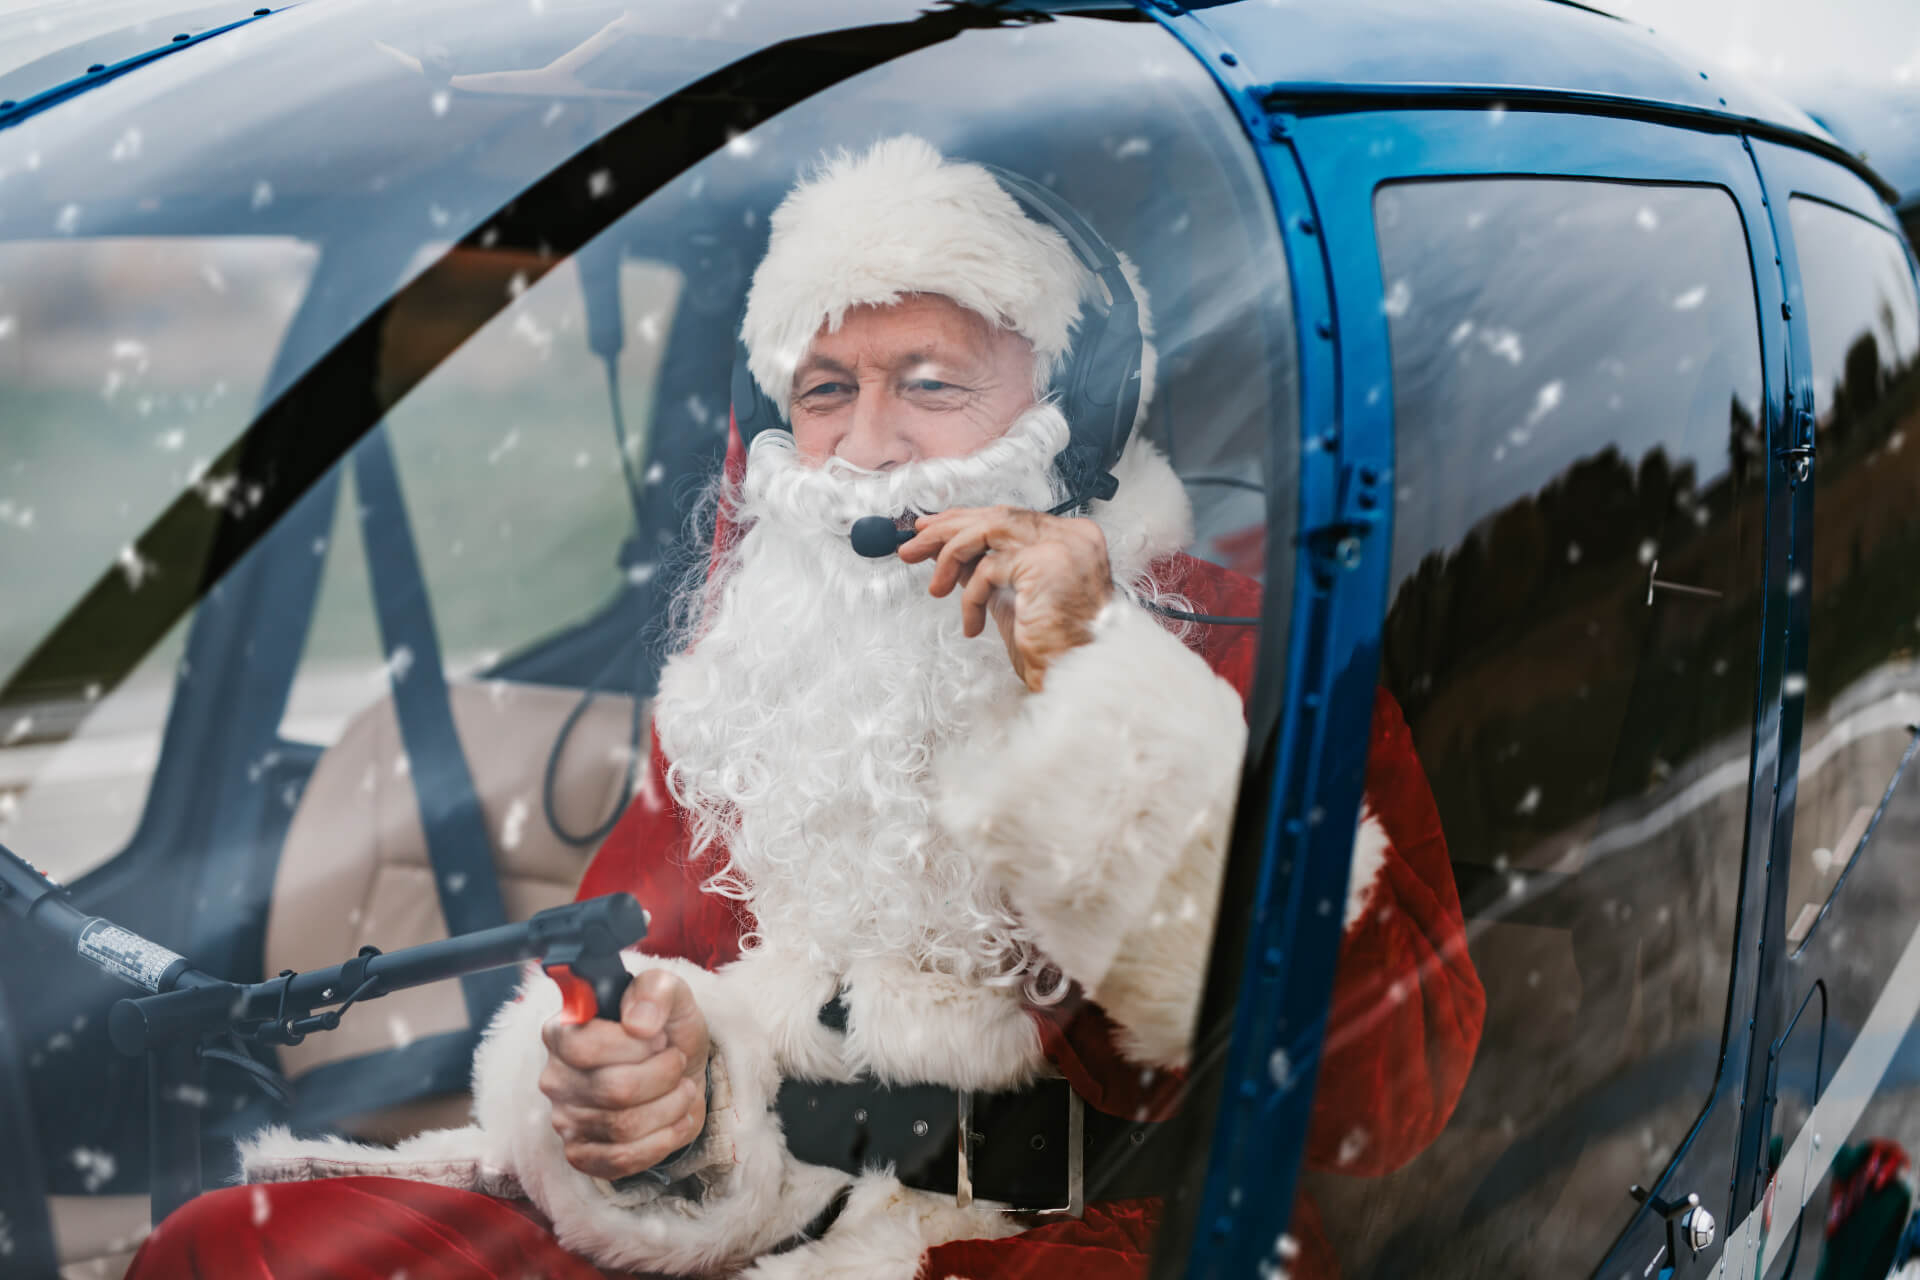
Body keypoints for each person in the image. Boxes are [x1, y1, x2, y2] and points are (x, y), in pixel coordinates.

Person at [127, 135, 1482, 1279]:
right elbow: (633, 979)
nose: (869, 442)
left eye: (932, 384)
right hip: (750, 1219)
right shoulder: (758, 652)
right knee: (236, 1247)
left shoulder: (1237, 644)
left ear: (1079, 405)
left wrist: (1095, 682)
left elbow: (1390, 1090)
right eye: (827, 391)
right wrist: (647, 1089)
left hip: (1065, 1243)